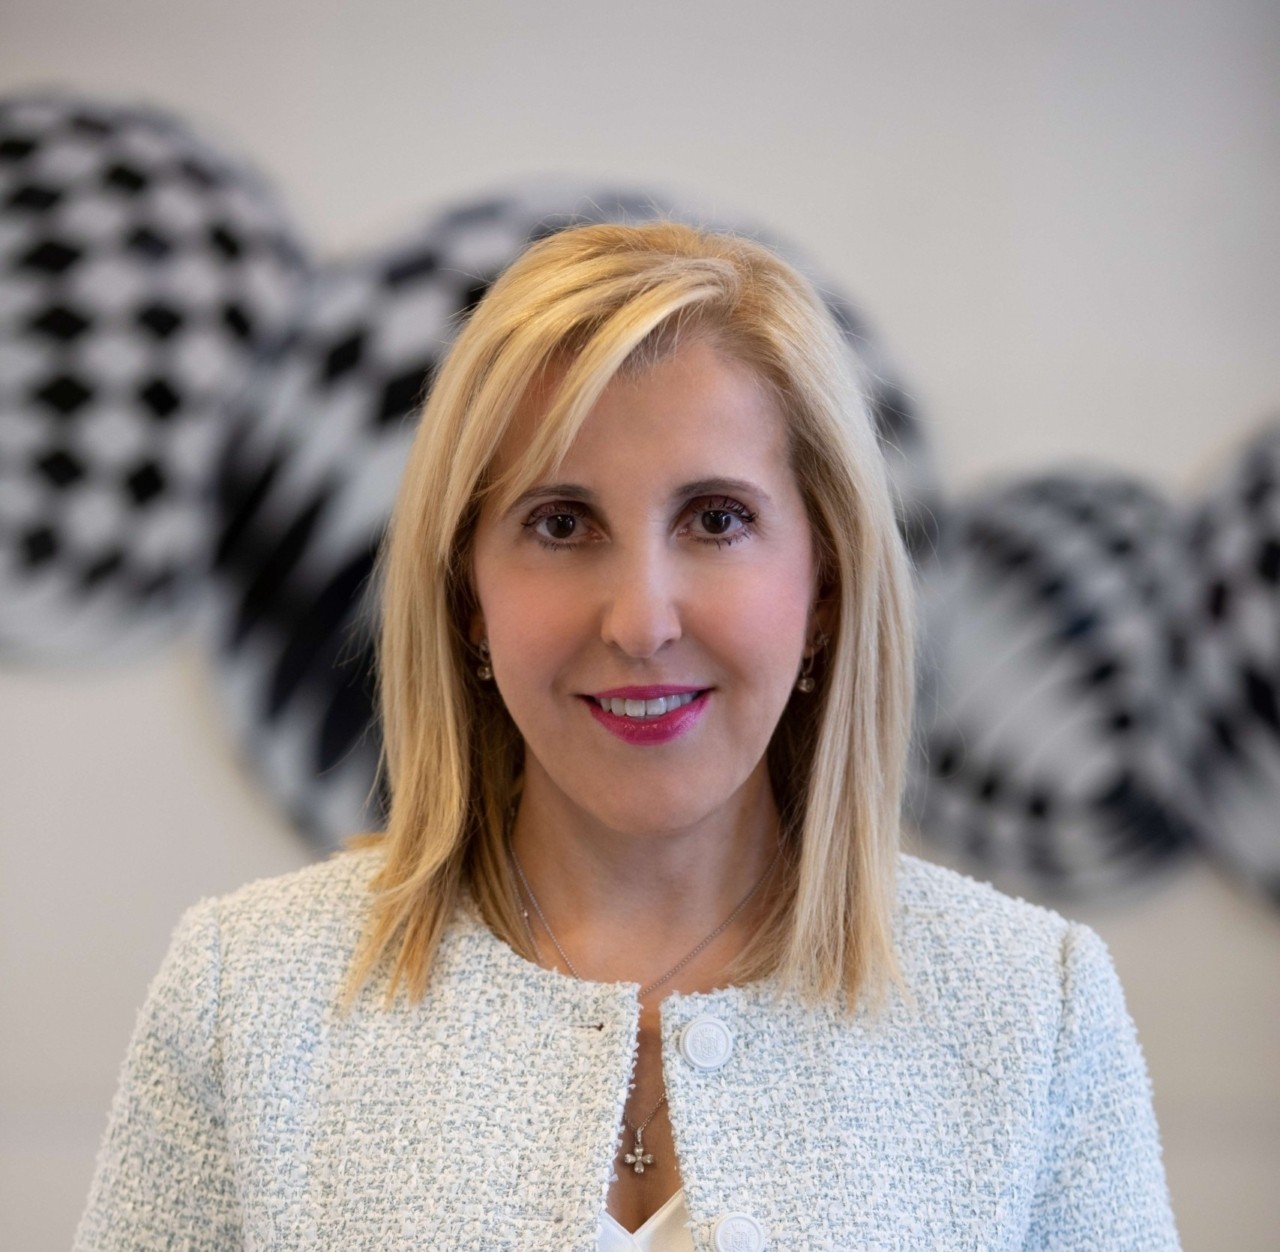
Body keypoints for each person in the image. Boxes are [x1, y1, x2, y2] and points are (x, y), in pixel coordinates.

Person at [75, 222, 1180, 1251]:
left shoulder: (1030, 1008)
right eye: (560, 524)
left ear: (826, 585)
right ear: (467, 596)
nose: (641, 621)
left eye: (717, 520)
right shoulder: (244, 995)